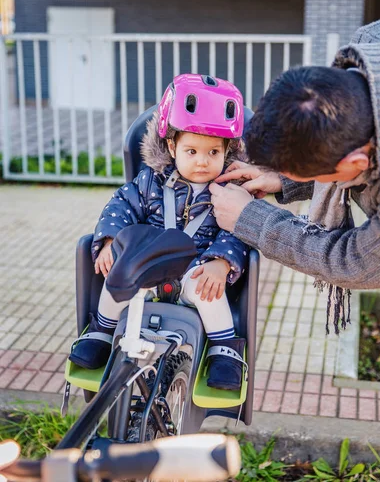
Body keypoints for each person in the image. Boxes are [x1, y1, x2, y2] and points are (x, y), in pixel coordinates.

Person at [210, 18, 380, 332]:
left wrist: (249, 217)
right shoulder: (374, 41)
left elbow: (358, 262)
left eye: (309, 175)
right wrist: (284, 177)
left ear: (357, 161)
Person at [69, 73, 249, 391]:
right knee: (118, 278)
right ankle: (101, 331)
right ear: (171, 145)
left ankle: (225, 350)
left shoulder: (228, 192)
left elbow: (236, 230)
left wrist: (220, 263)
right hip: (149, 262)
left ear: (227, 152)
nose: (203, 162)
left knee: (210, 292)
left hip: (198, 266)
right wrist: (112, 240)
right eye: (191, 151)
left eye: (214, 153)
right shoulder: (151, 181)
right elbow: (122, 205)